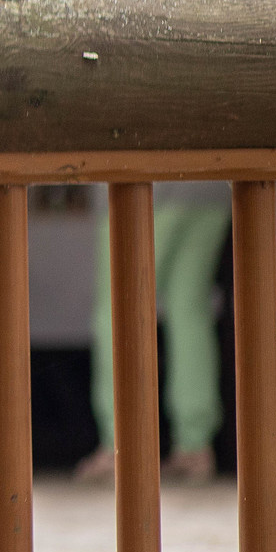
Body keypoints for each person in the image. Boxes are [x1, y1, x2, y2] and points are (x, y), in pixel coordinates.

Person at [76, 182, 230, 484]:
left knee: (119, 309)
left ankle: (120, 445)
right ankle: (195, 446)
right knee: (189, 311)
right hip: (211, 181)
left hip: (137, 183)